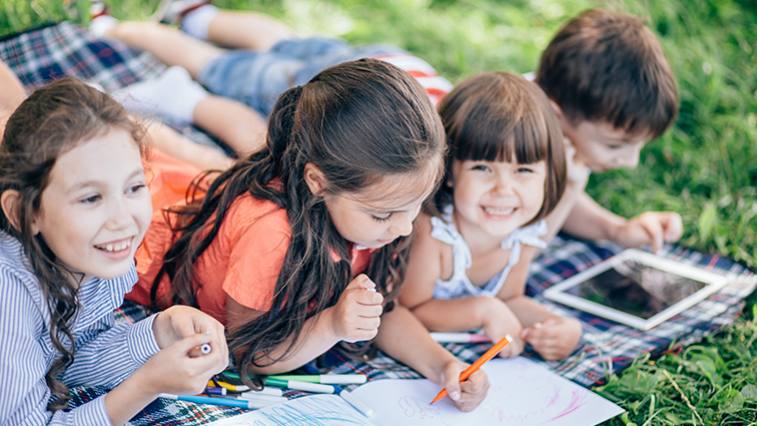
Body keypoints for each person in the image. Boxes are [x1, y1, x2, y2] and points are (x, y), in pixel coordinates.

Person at [128, 59, 489, 411]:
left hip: (208, 198)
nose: (405, 227)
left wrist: (444, 367)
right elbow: (250, 352)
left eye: (416, 205)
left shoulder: (373, 211)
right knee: (136, 159)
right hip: (147, 233)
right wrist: (331, 325)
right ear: (317, 183)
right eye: (384, 214)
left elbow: (382, 315)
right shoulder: (270, 236)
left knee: (198, 164)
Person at [0, 78, 228, 424]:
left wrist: (159, 332)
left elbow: (68, 360)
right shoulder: (9, 296)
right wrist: (144, 386)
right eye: (91, 198)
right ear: (22, 213)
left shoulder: (97, 255)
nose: (122, 220)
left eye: (134, 187)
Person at [399, 72, 581, 361]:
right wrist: (482, 309)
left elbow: (510, 298)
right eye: (482, 168)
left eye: (524, 171)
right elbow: (410, 309)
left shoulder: (522, 235)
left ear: (548, 176)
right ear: (448, 170)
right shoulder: (434, 233)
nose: (503, 190)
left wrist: (557, 326)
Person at [91, 1, 452, 117]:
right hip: (357, 95)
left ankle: (198, 15)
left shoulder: (496, 118)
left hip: (394, 66)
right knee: (216, 65)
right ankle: (108, 30)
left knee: (281, 40)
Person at [536, 9, 683, 252]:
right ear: (555, 115)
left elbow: (554, 199)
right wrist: (571, 187)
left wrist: (616, 230)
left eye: (639, 145)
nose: (631, 162)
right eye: (614, 145)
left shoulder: (567, 112)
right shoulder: (502, 149)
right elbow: (510, 267)